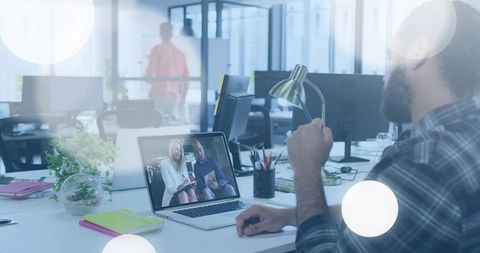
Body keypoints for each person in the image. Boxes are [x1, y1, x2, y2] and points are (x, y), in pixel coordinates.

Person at [236, 1, 480, 252]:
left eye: (390, 56)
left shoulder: (424, 163)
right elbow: (382, 219)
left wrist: (306, 169)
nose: (384, 77)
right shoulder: (466, 138)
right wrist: (289, 216)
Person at [145, 22, 189, 122]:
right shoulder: (180, 54)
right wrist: (183, 98)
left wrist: (148, 79)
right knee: (169, 126)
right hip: (174, 96)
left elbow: (149, 75)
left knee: (155, 125)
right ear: (171, 34)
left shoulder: (156, 50)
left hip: (159, 94)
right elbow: (186, 80)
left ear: (161, 33)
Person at [160, 139, 197, 207]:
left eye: (180, 150)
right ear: (171, 149)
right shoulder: (164, 163)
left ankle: (195, 214)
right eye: (176, 149)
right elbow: (170, 188)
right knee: (183, 193)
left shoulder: (182, 164)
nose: (179, 152)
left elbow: (185, 180)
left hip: (184, 191)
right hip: (172, 195)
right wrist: (179, 187)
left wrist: (189, 183)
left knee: (191, 191)